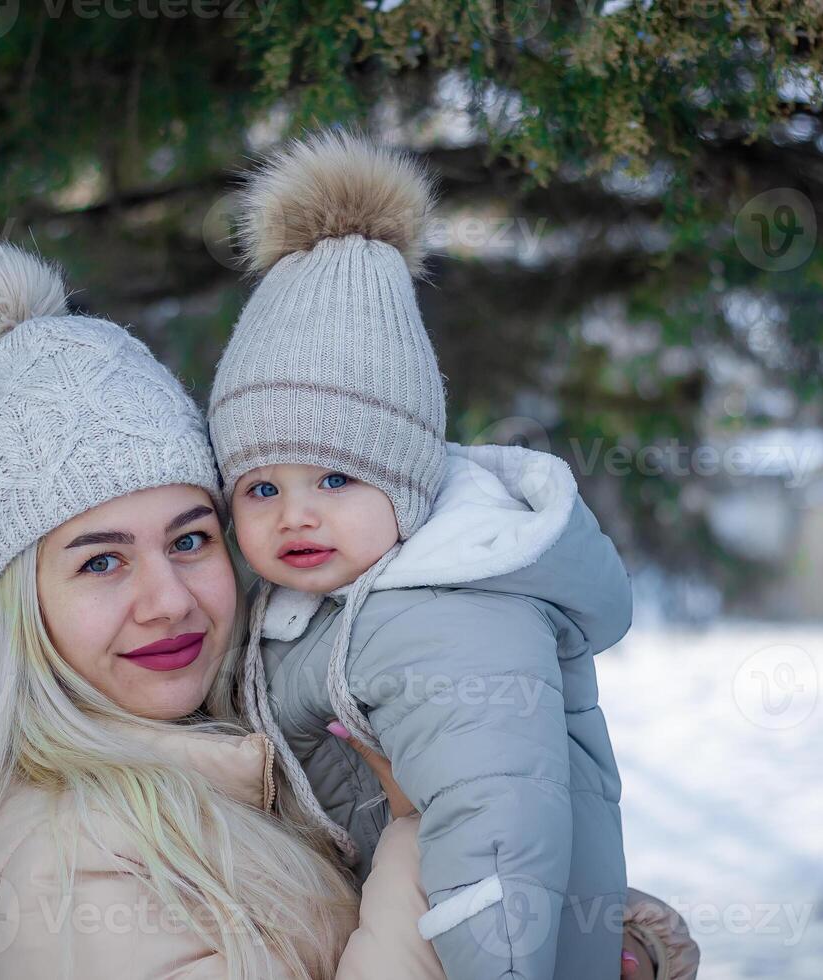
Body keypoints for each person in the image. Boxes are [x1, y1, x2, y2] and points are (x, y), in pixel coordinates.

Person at [0, 241, 433, 979]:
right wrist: (420, 842)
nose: (169, 601)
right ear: (22, 606)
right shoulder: (58, 869)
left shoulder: (262, 747)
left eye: (189, 539)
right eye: (101, 561)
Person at [210, 130, 634, 979]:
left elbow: (498, 828)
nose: (295, 514)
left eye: (335, 477)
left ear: (404, 484)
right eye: (261, 489)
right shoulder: (320, 609)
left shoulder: (450, 615)